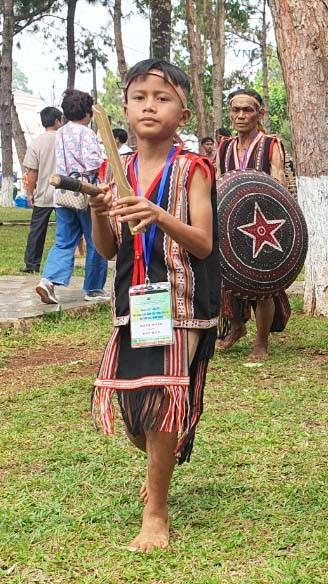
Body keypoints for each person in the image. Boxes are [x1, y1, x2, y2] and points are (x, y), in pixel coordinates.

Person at [88, 58, 219, 552]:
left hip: (181, 301)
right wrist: (102, 214)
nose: (149, 106)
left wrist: (159, 214)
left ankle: (156, 511)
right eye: (140, 96)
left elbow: (203, 243)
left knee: (161, 403)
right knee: (136, 414)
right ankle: (160, 459)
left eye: (162, 98)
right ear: (124, 107)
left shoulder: (192, 169)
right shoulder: (112, 168)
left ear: (182, 115)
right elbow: (107, 248)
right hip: (133, 301)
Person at [215, 88, 291, 360]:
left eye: (247, 110)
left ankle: (261, 344)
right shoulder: (224, 147)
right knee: (225, 280)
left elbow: (279, 184)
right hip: (232, 224)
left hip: (266, 225)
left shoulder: (271, 144)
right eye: (236, 110)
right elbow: (218, 184)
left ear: (260, 114)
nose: (241, 115)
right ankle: (236, 327)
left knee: (263, 285)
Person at [35, 89, 109, 304]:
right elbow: (93, 162)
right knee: (95, 240)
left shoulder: (61, 132)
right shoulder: (87, 133)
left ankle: (48, 280)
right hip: (84, 192)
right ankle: (94, 288)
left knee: (63, 241)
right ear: (88, 112)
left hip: (63, 192)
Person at [20, 106, 62, 274]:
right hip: (64, 194)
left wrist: (30, 194)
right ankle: (62, 265)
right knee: (65, 232)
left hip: (43, 194)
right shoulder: (64, 140)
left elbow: (32, 172)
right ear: (58, 121)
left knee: (37, 231)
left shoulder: (36, 142)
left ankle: (31, 264)